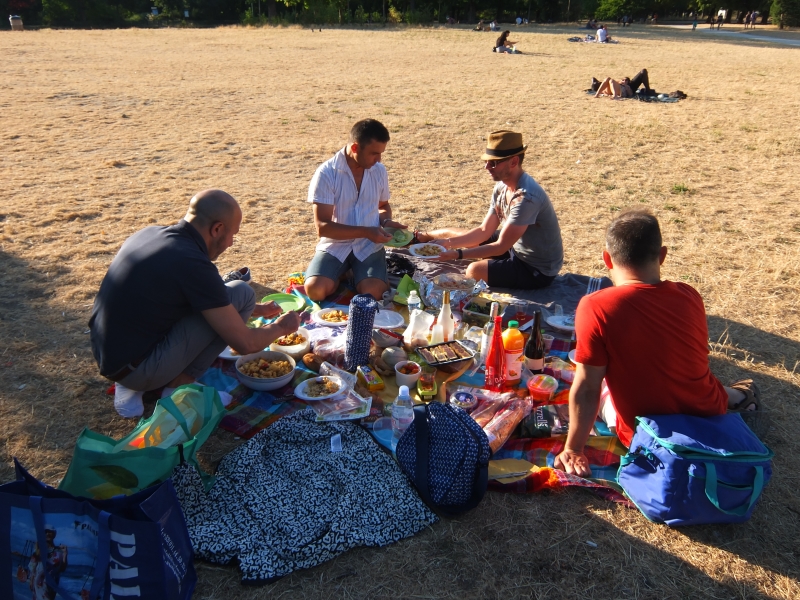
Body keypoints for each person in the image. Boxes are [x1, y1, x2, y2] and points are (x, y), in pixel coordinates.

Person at [554, 209, 765, 477]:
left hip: (648, 432)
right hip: (708, 413)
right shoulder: (689, 295)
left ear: (607, 258)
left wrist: (573, 449)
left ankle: (737, 395)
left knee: (596, 378)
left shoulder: (596, 306)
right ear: (662, 255)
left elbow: (587, 389)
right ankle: (737, 396)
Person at [89, 189, 301, 417]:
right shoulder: (193, 263)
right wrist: (282, 327)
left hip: (110, 356)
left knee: (237, 296)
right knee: (242, 291)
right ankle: (178, 386)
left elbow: (176, 297)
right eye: (232, 234)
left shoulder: (150, 234)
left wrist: (257, 310)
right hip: (139, 369)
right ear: (217, 229)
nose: (231, 243)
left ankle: (131, 384)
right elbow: (246, 345)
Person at [416, 130, 563, 290]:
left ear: (513, 162)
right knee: (468, 238)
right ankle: (425, 236)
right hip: (515, 245)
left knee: (474, 270)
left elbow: (500, 246)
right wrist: (449, 243)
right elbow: (483, 230)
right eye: (487, 161)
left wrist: (458, 254)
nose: (486, 167)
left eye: (493, 163)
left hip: (535, 268)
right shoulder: (501, 187)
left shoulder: (527, 198)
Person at [304, 119, 406, 303]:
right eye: (374, 153)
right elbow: (323, 227)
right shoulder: (327, 173)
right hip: (336, 245)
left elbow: (383, 206)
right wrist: (366, 232)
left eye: (381, 153)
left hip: (369, 246)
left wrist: (386, 222)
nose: (379, 160)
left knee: (373, 294)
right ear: (355, 148)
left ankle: (349, 273)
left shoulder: (379, 171)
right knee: (315, 290)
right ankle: (344, 273)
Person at [43, 525, 67, 600]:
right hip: (40, 584)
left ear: (54, 534)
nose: (47, 534)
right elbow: (33, 566)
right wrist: (31, 580)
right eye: (46, 532)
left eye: (50, 532)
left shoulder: (59, 551)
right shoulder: (39, 548)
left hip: (52, 587)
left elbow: (62, 569)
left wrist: (65, 554)